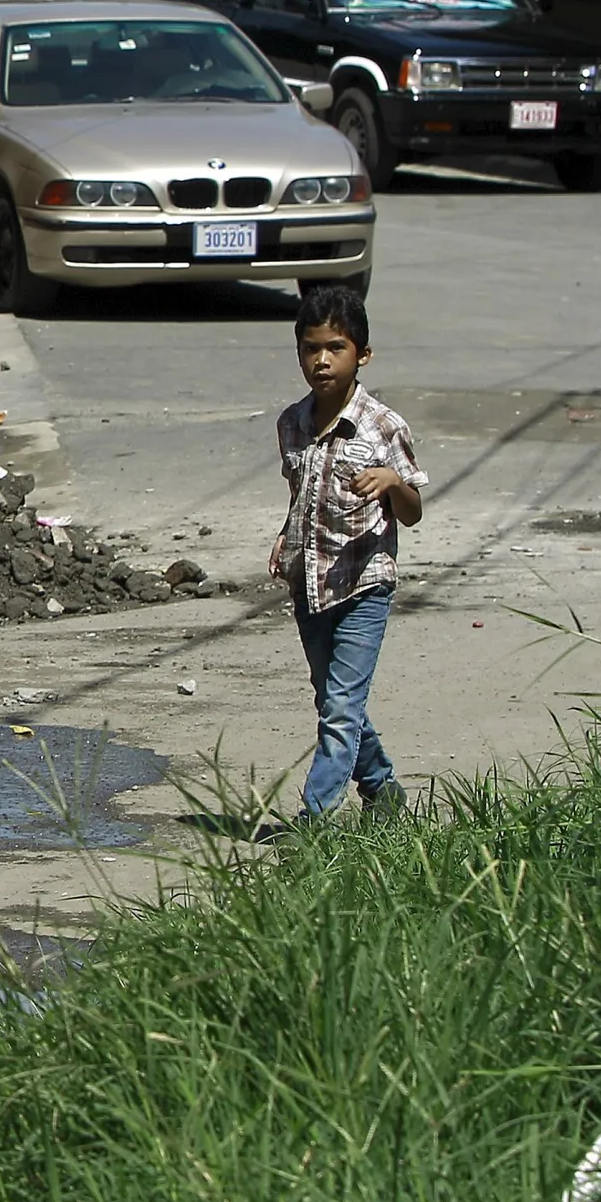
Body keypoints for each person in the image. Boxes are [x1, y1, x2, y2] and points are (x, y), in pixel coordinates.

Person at [267, 283, 425, 823]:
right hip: (310, 586)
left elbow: (412, 511)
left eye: (335, 348)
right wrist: (287, 535)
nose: (322, 361)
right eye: (311, 349)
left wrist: (392, 482)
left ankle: (313, 820)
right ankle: (383, 791)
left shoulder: (383, 428)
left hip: (364, 583)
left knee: (340, 709)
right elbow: (300, 492)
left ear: (362, 354)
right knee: (335, 702)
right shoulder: (292, 423)